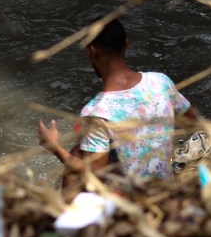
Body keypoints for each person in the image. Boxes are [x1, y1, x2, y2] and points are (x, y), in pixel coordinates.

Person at [38, 16, 197, 184]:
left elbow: (95, 175)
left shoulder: (97, 112)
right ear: (126, 45)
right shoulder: (161, 82)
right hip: (167, 192)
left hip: (134, 203)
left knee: (76, 155)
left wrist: (55, 147)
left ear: (93, 51)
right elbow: (194, 123)